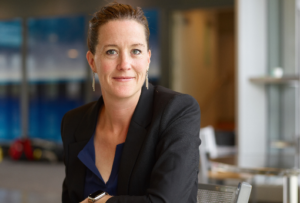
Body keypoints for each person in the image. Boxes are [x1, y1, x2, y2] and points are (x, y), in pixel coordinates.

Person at [61, 2, 201, 203]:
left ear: (147, 59)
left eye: (135, 51)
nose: (124, 64)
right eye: (111, 51)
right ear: (92, 61)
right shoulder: (73, 123)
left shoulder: (177, 112)